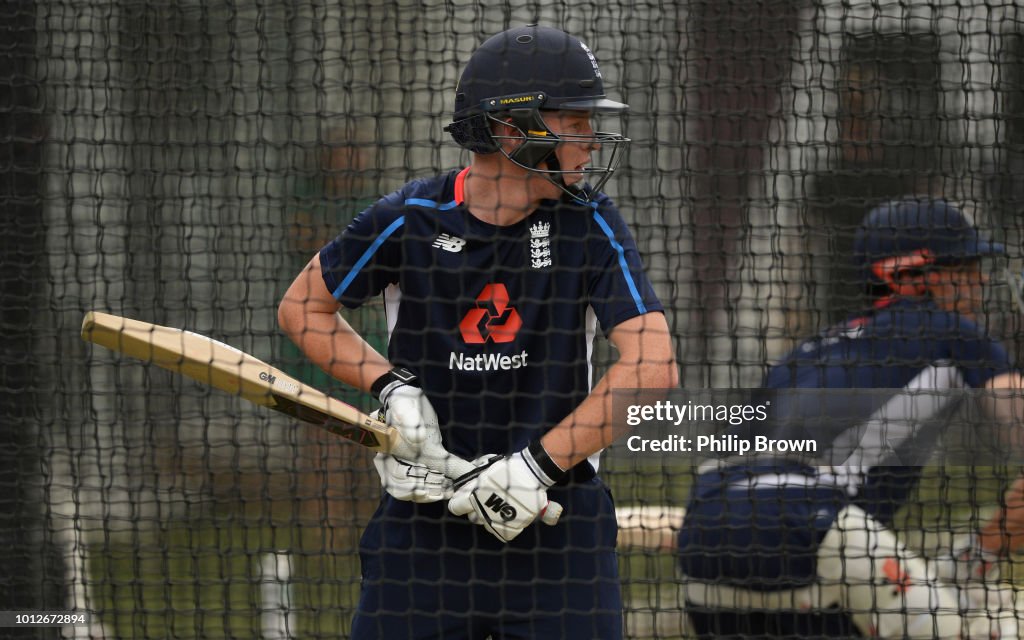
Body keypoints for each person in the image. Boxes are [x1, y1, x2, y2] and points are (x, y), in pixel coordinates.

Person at [278, 24, 677, 639]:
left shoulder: (591, 225)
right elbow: (303, 309)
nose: (592, 143)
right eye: (575, 124)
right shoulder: (408, 218)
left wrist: (537, 467)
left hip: (556, 531)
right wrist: (392, 388)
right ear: (513, 130)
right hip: (423, 532)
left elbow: (652, 369)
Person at [675, 197, 1024, 639]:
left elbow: (724, 467)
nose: (982, 281)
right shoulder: (955, 333)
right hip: (812, 525)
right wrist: (978, 557)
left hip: (705, 532)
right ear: (909, 275)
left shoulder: (799, 356)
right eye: (967, 269)